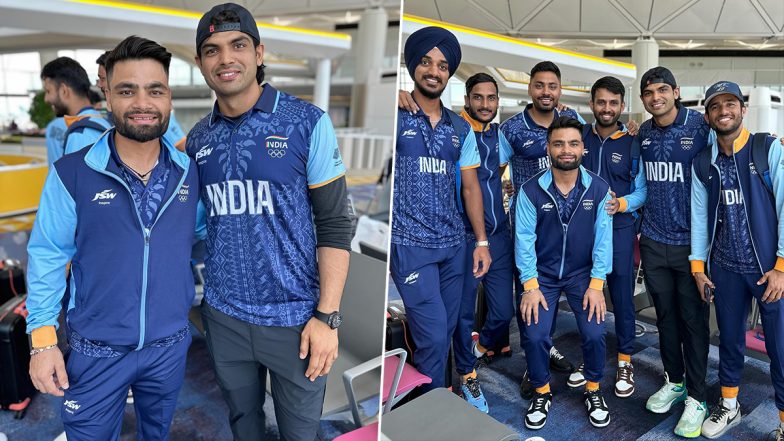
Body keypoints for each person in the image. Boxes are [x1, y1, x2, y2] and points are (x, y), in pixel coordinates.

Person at [186, 4, 352, 440]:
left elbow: (335, 223)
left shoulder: (306, 122)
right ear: (201, 62)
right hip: (224, 317)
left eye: (238, 45)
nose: (226, 59)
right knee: (245, 424)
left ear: (259, 53)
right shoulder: (199, 138)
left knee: (300, 432)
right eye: (212, 50)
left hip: (297, 320)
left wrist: (327, 317)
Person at [26, 35, 199, 440]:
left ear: (168, 97)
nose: (142, 103)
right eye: (127, 90)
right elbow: (48, 256)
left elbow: (206, 232)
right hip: (96, 349)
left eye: (154, 90)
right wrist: (42, 341)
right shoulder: (72, 173)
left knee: (158, 434)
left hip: (169, 346)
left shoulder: (189, 172)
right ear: (107, 94)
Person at [390, 25, 491, 396]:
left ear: (450, 74)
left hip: (454, 247)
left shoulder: (460, 130)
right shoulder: (396, 117)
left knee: (446, 330)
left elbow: (470, 186)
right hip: (410, 245)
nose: (434, 71)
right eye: (427, 63)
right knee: (432, 335)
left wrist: (481, 241)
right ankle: (427, 408)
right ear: (414, 66)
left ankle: (437, 395)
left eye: (443, 65)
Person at [690, 81, 784, 440]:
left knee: (780, 348)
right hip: (726, 269)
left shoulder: (766, 149)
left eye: (731, 104)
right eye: (715, 106)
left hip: (769, 272)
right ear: (709, 115)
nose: (723, 111)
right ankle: (729, 404)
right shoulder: (704, 163)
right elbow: (700, 217)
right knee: (729, 340)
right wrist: (698, 268)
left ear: (743, 109)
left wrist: (781, 267)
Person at [516, 116, 613, 429]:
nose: (566, 150)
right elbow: (524, 241)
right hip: (541, 276)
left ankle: (594, 388)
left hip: (582, 275)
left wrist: (596, 285)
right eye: (559, 143)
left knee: (596, 332)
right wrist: (530, 287)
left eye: (573, 143)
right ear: (549, 148)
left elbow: (603, 241)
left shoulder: (599, 189)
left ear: (583, 148)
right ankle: (542, 391)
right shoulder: (530, 191)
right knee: (533, 332)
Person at [635, 66, 713, 437]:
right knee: (664, 317)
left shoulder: (700, 126)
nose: (656, 98)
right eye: (649, 93)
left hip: (690, 246)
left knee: (693, 321)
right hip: (652, 240)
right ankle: (675, 380)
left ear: (676, 92)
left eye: (662, 90)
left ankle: (697, 397)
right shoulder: (645, 132)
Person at [500, 61, 581, 396]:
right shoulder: (512, 128)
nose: (546, 92)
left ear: (559, 89)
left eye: (552, 86)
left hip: (565, 228)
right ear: (530, 88)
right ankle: (533, 365)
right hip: (528, 229)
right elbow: (495, 170)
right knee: (529, 296)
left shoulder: (572, 120)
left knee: (556, 295)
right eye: (539, 85)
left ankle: (546, 347)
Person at [581, 76, 647, 397]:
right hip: (582, 230)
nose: (607, 109)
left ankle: (624, 358)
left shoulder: (633, 141)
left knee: (621, 298)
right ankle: (591, 355)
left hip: (620, 229)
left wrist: (621, 203)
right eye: (601, 102)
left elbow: (643, 191)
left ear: (622, 106)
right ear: (592, 104)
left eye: (613, 103)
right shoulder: (580, 136)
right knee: (587, 295)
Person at [97, 50, 187, 151]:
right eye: (99, 79)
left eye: (103, 79)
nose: (100, 84)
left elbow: (182, 145)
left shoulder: (158, 115)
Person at [40, 57, 111, 162]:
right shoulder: (103, 122)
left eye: (48, 91)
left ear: (64, 91)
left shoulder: (80, 134)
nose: (46, 99)